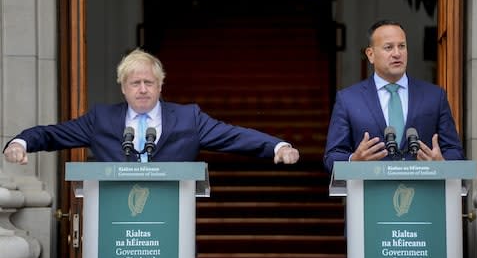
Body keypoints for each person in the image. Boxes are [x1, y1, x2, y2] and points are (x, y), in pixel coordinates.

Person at [3, 49, 299, 165]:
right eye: (135, 83)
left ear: (160, 85)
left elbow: (234, 136)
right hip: (118, 229)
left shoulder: (188, 118)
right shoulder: (101, 119)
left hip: (172, 224)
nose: (142, 89)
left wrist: (278, 147)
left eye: (148, 82)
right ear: (123, 87)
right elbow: (53, 133)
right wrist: (21, 142)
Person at [323, 20, 464, 174]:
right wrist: (354, 161)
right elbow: (332, 157)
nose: (397, 53)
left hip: (424, 192)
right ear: (370, 55)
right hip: (369, 194)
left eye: (402, 46)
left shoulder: (435, 96)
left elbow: (454, 151)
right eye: (388, 47)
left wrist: (442, 164)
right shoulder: (348, 99)